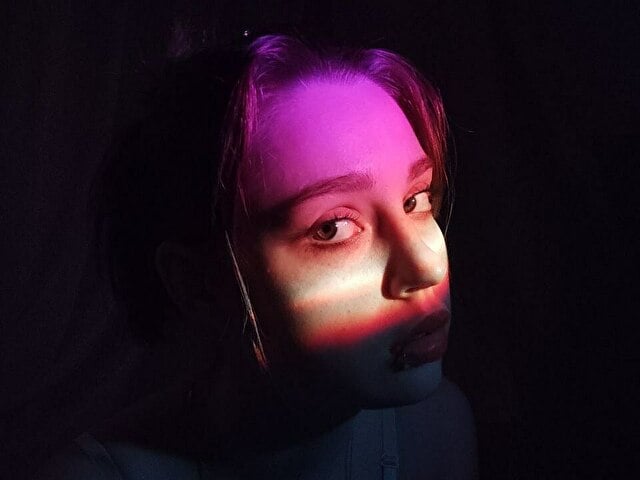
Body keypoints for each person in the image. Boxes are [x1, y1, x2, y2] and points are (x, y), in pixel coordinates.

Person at [37, 33, 477, 480]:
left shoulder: (437, 430)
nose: (427, 267)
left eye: (416, 200)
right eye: (332, 228)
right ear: (199, 284)